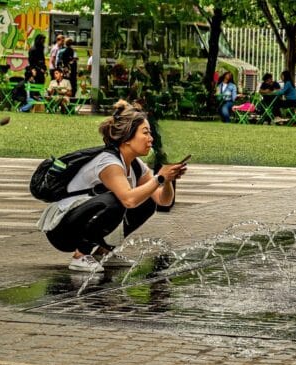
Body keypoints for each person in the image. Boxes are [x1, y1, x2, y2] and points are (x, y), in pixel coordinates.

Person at [36, 100, 188, 272]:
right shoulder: (109, 163)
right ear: (127, 138)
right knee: (117, 200)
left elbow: (162, 201)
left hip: (82, 221)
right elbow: (129, 200)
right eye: (145, 133)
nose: (150, 139)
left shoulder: (136, 164)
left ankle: (104, 251)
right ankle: (81, 255)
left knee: (147, 200)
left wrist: (167, 181)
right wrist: (159, 178)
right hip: (62, 231)